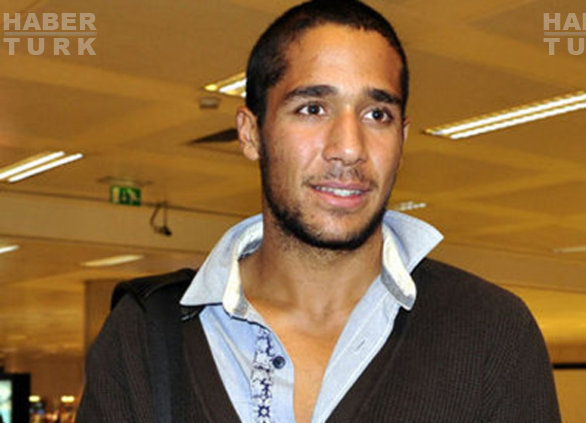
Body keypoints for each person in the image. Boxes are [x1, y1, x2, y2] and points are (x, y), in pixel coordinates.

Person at [77, 1, 561, 422]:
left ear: (402, 139)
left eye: (377, 115)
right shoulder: (144, 336)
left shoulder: (490, 332)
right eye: (312, 108)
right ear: (251, 133)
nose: (349, 148)